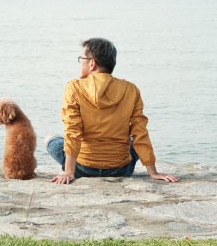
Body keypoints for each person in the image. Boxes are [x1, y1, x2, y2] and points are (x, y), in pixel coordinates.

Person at [46, 37, 179, 184]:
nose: (80, 62)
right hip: (120, 169)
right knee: (131, 140)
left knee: (51, 139)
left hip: (83, 168)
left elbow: (73, 131)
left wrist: (69, 173)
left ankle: (72, 166)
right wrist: (153, 172)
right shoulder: (131, 89)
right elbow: (140, 133)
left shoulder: (74, 88)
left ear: (92, 63)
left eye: (81, 58)